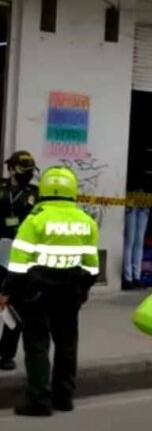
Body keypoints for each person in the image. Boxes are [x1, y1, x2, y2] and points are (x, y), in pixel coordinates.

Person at [0, 167, 99, 416]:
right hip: (70, 293)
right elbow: (92, 266)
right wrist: (82, 289)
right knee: (67, 344)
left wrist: (7, 291)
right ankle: (64, 398)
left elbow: (18, 263)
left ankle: (39, 400)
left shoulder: (35, 220)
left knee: (37, 345)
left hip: (35, 293)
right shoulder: (86, 222)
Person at [0, 151, 39, 370]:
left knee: (13, 307)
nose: (28, 174)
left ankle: (6, 354)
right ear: (11, 169)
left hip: (21, 256)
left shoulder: (35, 194)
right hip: (0, 250)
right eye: (24, 170)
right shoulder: (1, 190)